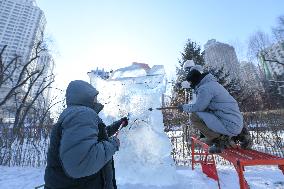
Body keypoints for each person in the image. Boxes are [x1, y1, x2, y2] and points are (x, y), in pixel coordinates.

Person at [44, 80, 128, 189]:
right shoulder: (81, 114)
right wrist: (113, 144)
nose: (96, 99)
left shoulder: (73, 114)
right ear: (86, 95)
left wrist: (118, 124)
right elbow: (80, 163)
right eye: (94, 96)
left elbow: (93, 138)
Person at [177, 69, 250, 153]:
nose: (190, 85)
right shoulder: (213, 84)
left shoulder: (205, 88)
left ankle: (221, 141)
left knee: (194, 116)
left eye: (190, 83)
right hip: (236, 123)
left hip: (230, 125)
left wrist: (183, 107)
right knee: (209, 112)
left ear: (194, 80)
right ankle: (243, 136)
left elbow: (198, 107)